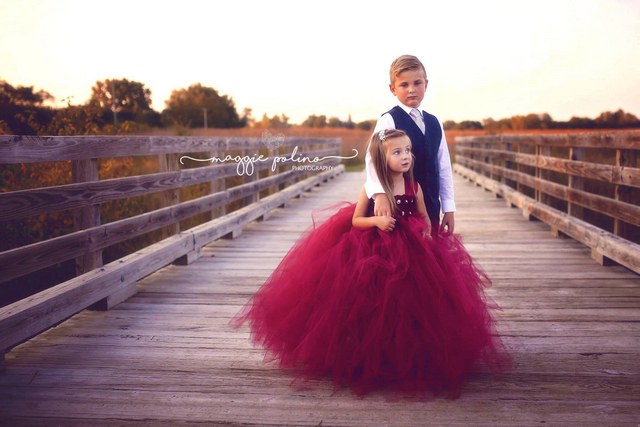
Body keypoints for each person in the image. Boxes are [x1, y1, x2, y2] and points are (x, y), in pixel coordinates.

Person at [232, 129, 508, 398]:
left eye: (408, 151)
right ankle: (372, 357)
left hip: (415, 250)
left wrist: (425, 231)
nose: (406, 157)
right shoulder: (373, 189)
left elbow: (423, 215)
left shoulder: (415, 186)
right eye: (397, 152)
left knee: (413, 302)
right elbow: (356, 220)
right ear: (380, 159)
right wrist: (377, 220)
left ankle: (411, 357)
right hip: (378, 250)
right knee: (377, 303)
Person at [366, 54, 455, 235]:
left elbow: (443, 166)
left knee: (430, 249)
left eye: (417, 83)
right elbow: (372, 159)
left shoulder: (434, 122)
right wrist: (380, 193)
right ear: (393, 88)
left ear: (426, 84)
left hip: (429, 203)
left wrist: (448, 206)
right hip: (400, 205)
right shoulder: (389, 120)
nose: (411, 89)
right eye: (404, 85)